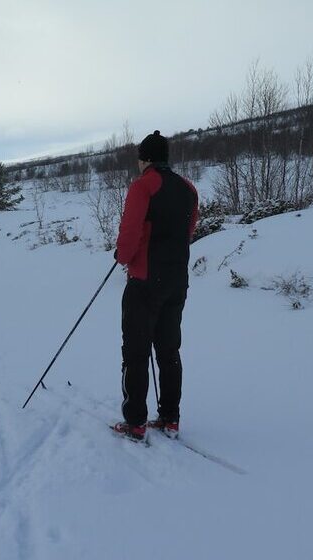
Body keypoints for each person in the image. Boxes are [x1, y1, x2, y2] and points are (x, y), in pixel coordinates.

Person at [112, 131, 198, 441]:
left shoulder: (142, 186)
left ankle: (135, 422)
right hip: (177, 280)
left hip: (145, 281)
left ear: (145, 159)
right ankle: (169, 418)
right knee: (168, 350)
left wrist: (122, 256)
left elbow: (130, 231)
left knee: (136, 352)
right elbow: (188, 230)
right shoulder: (188, 188)